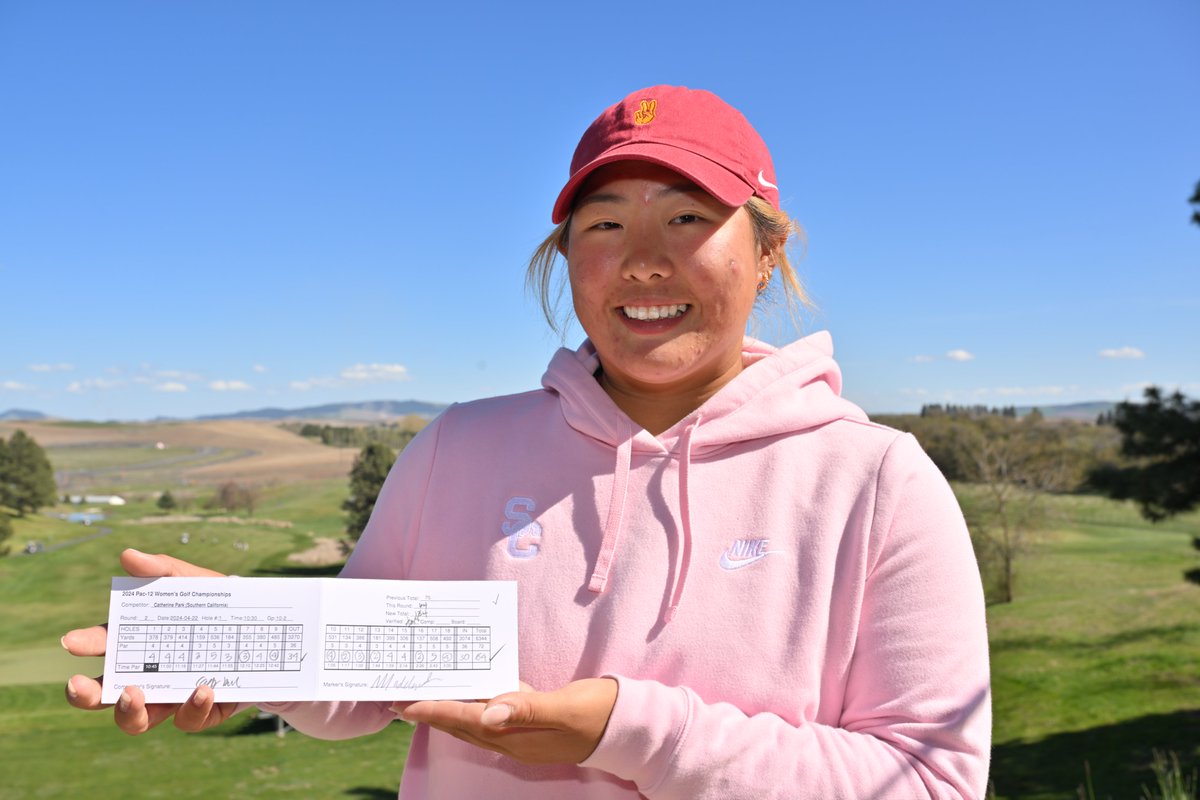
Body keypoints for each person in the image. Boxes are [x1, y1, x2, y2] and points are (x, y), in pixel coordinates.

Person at [63, 84, 991, 798]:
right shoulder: (457, 451)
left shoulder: (876, 482)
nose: (643, 258)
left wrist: (636, 734)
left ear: (768, 252)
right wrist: (256, 649)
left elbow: (931, 780)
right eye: (605, 223)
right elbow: (371, 688)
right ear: (565, 257)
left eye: (687, 217)